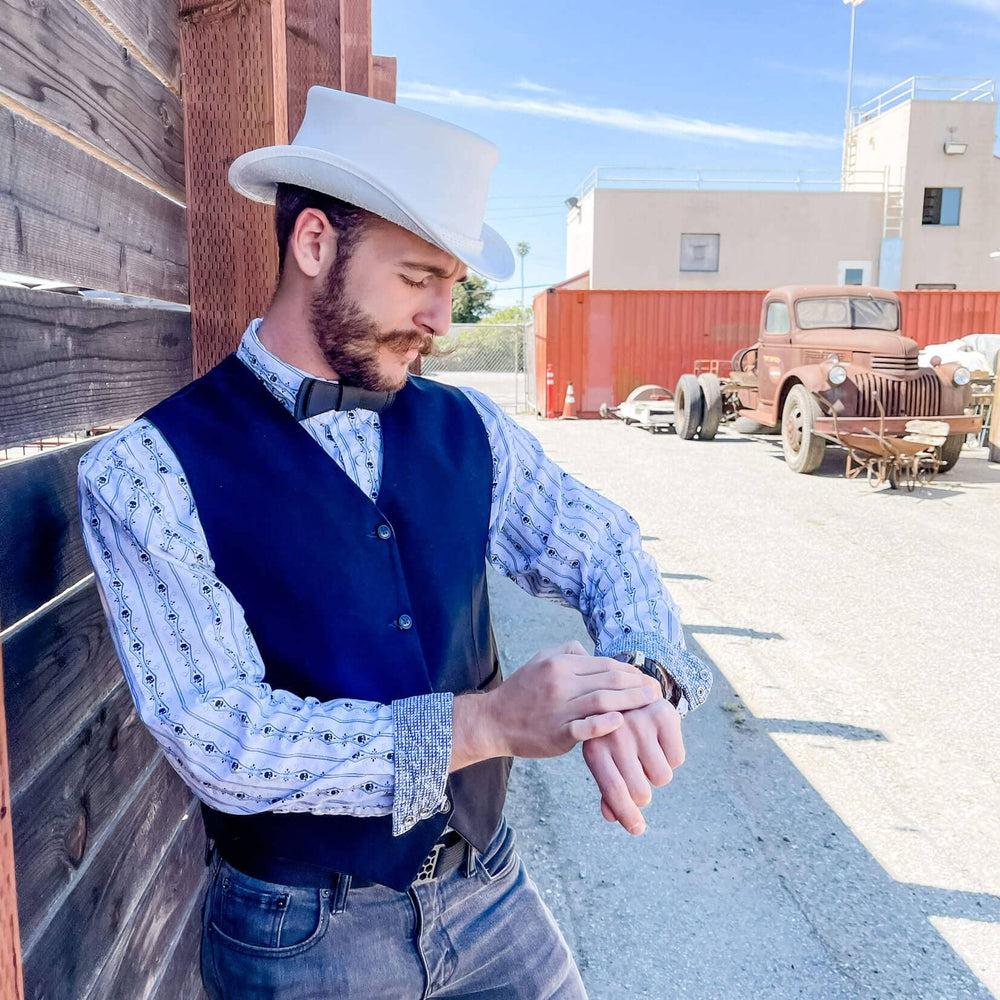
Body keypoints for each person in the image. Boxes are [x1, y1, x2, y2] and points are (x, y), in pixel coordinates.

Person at [78, 86, 712, 999]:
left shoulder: (473, 429)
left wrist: (642, 677)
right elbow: (218, 734)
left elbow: (608, 549)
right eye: (419, 278)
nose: (444, 320)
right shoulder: (145, 472)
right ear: (313, 245)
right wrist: (483, 724)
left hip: (491, 892)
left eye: (452, 285)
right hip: (301, 939)